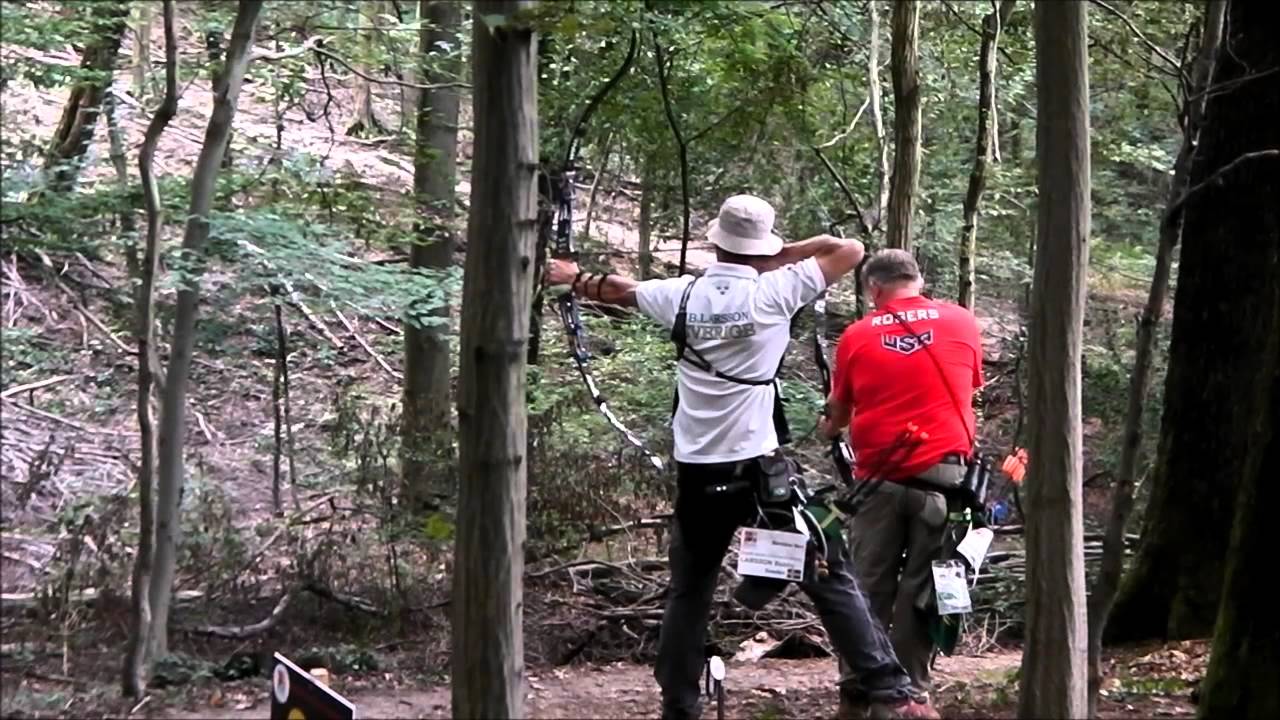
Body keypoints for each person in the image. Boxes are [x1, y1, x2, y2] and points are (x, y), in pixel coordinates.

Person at [546, 195, 938, 720]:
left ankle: (679, 706)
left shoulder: (680, 294)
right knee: (828, 571)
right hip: (757, 472)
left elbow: (617, 290)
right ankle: (892, 690)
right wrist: (778, 257)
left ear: (716, 242)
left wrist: (573, 277)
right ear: (763, 247)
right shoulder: (776, 290)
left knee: (689, 593)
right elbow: (850, 249)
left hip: (698, 473)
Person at [818, 249, 984, 717]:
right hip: (947, 480)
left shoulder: (856, 335)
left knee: (868, 587)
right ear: (918, 279)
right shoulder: (962, 322)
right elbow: (969, 386)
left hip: (879, 483)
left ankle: (861, 688)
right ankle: (910, 693)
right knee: (925, 591)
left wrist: (830, 426)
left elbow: (838, 415)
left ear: (874, 288)